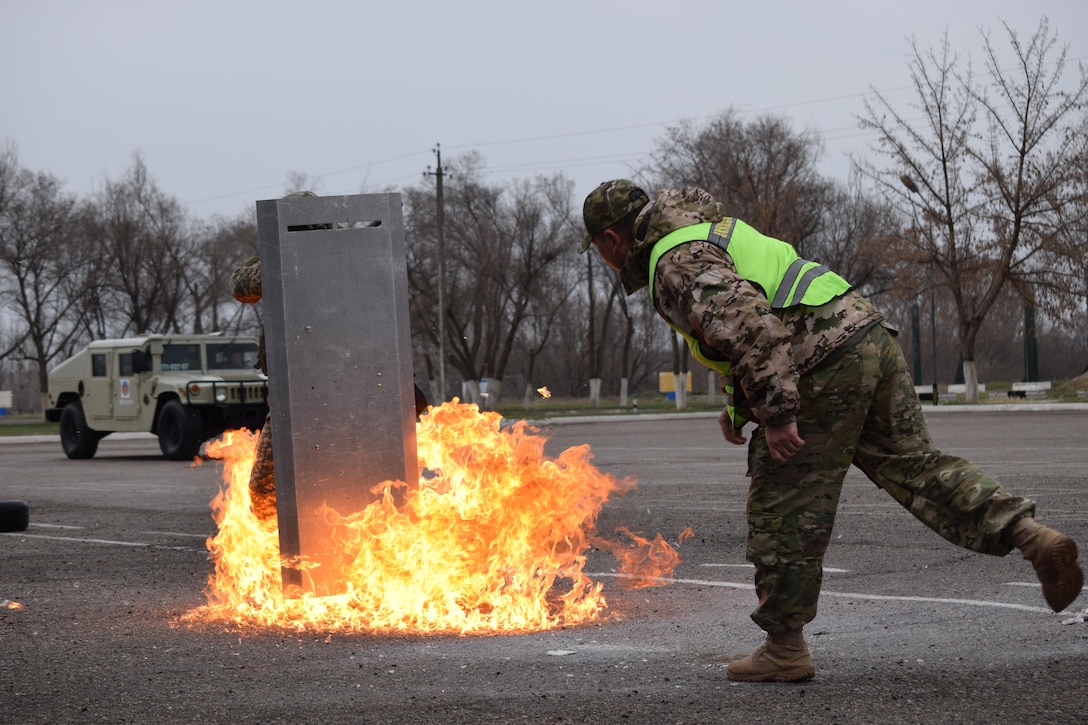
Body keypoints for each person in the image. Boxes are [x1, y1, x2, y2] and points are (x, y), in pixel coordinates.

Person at [579, 179, 1084, 683]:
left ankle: (784, 648)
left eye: (598, 247)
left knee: (784, 502)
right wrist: (739, 407)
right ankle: (1031, 536)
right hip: (866, 337)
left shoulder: (675, 259)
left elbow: (755, 328)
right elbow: (751, 324)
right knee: (913, 465)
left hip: (821, 359)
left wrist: (776, 416)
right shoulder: (709, 229)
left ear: (610, 240)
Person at [230, 192, 430, 522]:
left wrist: (402, 382)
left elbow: (380, 322)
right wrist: (289, 257)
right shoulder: (279, 259)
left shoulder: (350, 260)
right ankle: (278, 557)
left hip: (350, 391)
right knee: (264, 489)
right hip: (294, 394)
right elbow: (241, 286)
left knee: (356, 482)